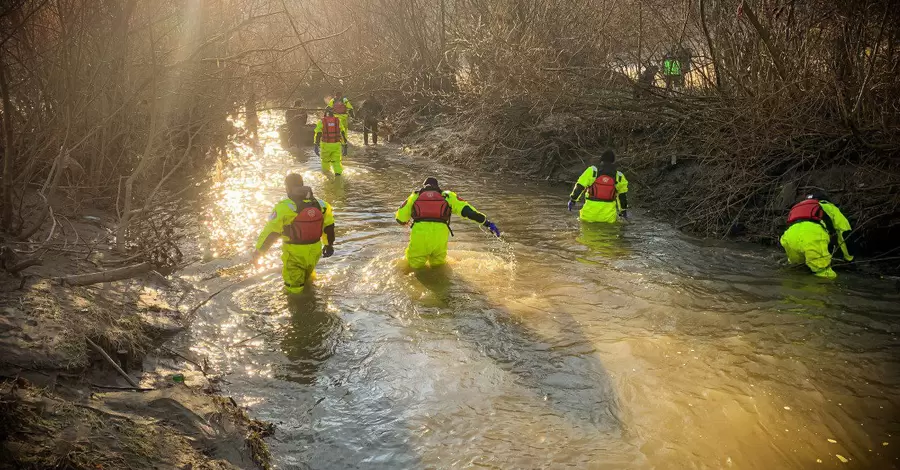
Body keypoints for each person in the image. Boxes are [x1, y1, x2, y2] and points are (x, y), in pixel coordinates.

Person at [252, 174, 336, 294]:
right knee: (308, 276)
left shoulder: (284, 207)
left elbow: (271, 232)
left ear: (287, 188)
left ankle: (300, 307)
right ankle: (312, 295)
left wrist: (259, 251)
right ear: (302, 185)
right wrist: (329, 245)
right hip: (315, 251)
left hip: (294, 253)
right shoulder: (321, 205)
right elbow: (329, 227)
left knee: (293, 288)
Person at [395, 177, 501, 269]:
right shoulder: (448, 196)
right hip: (440, 237)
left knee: (415, 268)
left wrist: (405, 222)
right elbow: (468, 212)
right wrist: (487, 223)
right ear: (438, 186)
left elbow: (400, 218)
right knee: (438, 267)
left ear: (424, 186)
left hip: (420, 236)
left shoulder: (415, 196)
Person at [779, 191, 853, 279]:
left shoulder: (799, 207)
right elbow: (843, 232)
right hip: (812, 236)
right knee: (824, 275)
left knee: (797, 270)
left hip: (789, 237)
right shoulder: (828, 206)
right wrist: (848, 258)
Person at [567, 149, 629, 223]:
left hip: (589, 215)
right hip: (608, 218)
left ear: (601, 159)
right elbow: (622, 196)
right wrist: (623, 211)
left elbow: (580, 186)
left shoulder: (592, 171)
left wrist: (572, 200)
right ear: (613, 161)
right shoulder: (619, 176)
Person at [313, 107, 348, 176]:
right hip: (336, 145)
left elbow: (318, 134)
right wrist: (345, 145)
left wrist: (316, 145)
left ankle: (327, 176)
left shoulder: (322, 121)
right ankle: (338, 175)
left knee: (325, 161)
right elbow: (343, 133)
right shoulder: (338, 121)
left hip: (326, 145)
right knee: (337, 162)